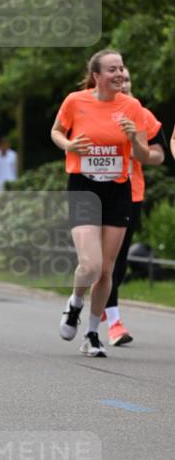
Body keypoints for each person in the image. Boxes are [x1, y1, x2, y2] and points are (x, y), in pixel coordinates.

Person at [52, 49, 149, 357]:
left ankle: (92, 333)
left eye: (121, 68)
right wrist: (69, 144)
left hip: (118, 190)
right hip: (83, 187)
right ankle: (75, 303)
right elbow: (55, 131)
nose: (120, 74)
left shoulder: (132, 107)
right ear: (96, 76)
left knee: (106, 270)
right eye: (112, 70)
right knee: (89, 265)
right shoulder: (75, 101)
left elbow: (145, 156)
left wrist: (134, 139)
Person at [103, 68, 165, 345]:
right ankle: (92, 301)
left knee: (118, 261)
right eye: (119, 77)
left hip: (130, 194)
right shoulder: (90, 108)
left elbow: (158, 156)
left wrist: (136, 145)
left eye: (128, 79)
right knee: (95, 262)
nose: (123, 83)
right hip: (93, 193)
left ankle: (113, 320)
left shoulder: (142, 115)